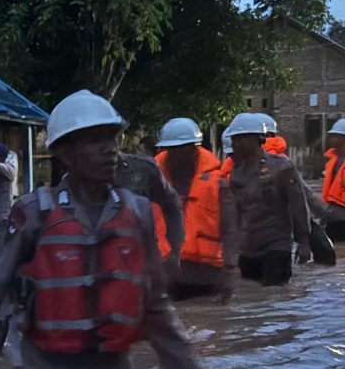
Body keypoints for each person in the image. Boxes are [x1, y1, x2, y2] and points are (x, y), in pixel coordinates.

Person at [0, 90, 225, 369]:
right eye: (96, 140)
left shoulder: (139, 215)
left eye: (112, 138)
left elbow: (156, 307)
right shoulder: (33, 214)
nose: (110, 149)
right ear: (65, 153)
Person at [223, 112, 312, 287]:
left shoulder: (282, 167)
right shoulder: (236, 173)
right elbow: (234, 214)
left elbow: (298, 204)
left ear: (256, 139)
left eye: (239, 139)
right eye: (233, 139)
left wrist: (303, 241)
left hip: (277, 245)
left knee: (274, 296)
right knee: (252, 299)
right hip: (248, 248)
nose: (234, 144)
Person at [154, 117, 238, 301]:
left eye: (181, 148)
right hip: (167, 277)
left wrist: (230, 270)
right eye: (170, 149)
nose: (174, 155)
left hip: (208, 276)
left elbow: (230, 230)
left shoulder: (218, 183)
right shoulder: (152, 184)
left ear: (194, 148)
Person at [112, 144, 185, 270]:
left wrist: (174, 249)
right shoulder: (70, 172)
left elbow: (172, 207)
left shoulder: (143, 169)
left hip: (139, 263)